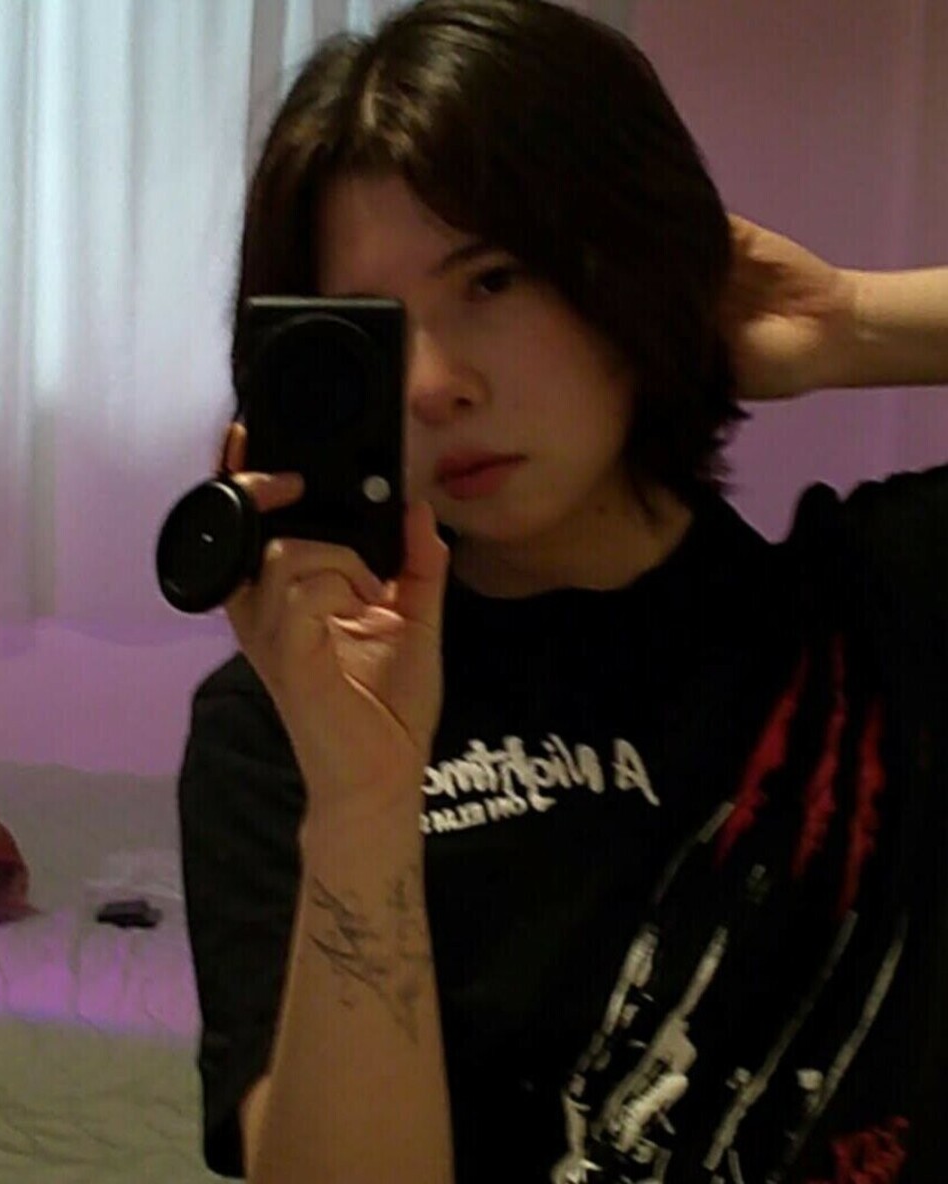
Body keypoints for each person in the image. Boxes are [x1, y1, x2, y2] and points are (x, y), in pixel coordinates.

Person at [176, 2, 948, 1181]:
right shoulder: (286, 728)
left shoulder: (882, 608)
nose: (433, 384)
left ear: (625, 264)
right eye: (375, 332)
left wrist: (855, 322)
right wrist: (363, 805)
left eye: (493, 279)